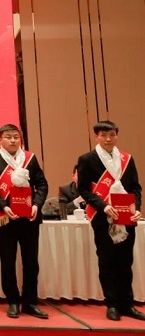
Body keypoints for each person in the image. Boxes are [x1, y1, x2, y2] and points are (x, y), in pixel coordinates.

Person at [77, 120, 144, 321]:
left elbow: (135, 188)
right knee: (107, 261)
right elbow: (83, 189)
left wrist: (136, 208)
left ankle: (127, 304)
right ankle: (112, 304)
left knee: (125, 261)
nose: (108, 139)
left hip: (126, 217)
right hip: (102, 217)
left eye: (112, 135)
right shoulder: (87, 159)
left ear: (116, 135)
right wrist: (103, 206)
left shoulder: (126, 159)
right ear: (96, 136)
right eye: (104, 135)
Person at [0, 124, 48, 319]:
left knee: (31, 262)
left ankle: (29, 303)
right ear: (0, 139)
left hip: (29, 218)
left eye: (16, 137)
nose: (13, 140)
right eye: (8, 137)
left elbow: (42, 184)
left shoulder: (30, 158)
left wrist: (36, 204)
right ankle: (12, 301)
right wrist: (3, 206)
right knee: (8, 261)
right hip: (6, 218)